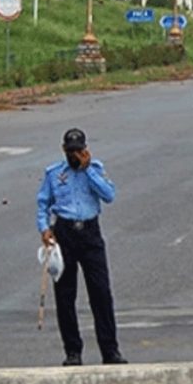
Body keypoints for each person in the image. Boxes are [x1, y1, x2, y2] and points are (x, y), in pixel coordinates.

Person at [35, 128, 127, 366]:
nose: (76, 155)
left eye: (80, 150)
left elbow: (109, 195)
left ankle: (110, 350)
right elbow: (43, 203)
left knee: (101, 294)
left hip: (90, 233)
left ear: (86, 149)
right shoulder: (54, 174)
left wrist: (88, 171)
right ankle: (73, 351)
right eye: (72, 151)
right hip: (64, 233)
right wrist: (44, 228)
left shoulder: (94, 169)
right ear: (64, 150)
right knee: (65, 296)